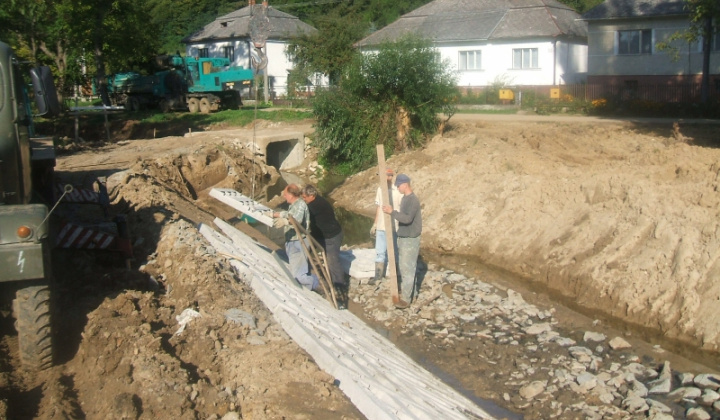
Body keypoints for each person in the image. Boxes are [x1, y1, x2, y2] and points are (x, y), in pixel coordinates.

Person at [301, 184, 348, 308]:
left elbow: (304, 215)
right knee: (306, 250)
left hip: (332, 236)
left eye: (305, 197)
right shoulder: (313, 203)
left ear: (312, 195)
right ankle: (303, 274)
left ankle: (339, 289)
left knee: (332, 261)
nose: (303, 199)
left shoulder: (316, 205)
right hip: (320, 234)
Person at [382, 174, 421, 309]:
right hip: (404, 237)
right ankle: (412, 294)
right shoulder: (405, 199)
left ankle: (406, 299)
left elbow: (407, 219)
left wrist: (392, 212)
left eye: (398, 185)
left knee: (407, 269)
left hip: (410, 239)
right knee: (407, 267)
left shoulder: (412, 200)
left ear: (405, 184)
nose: (397, 188)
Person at [272, 184, 318, 291]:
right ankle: (308, 288)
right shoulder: (294, 205)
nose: (284, 197)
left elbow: (297, 219)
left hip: (299, 241)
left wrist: (285, 221)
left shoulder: (301, 205)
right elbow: (290, 214)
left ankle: (316, 283)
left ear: (291, 194)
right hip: (292, 241)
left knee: (299, 275)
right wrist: (276, 214)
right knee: (296, 270)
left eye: (285, 195)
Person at [369, 168, 403, 285]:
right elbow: (379, 207)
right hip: (381, 226)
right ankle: (378, 276)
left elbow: (401, 209)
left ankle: (397, 275)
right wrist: (375, 223)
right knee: (380, 251)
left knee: (394, 251)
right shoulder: (380, 189)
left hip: (394, 226)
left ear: (390, 177)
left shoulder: (397, 191)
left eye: (386, 176)